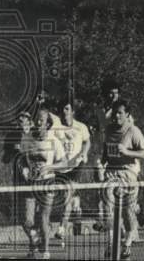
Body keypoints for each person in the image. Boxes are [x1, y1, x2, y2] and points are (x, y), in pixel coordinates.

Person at [100, 100, 144, 260]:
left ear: (127, 115)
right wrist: (101, 162)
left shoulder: (133, 131)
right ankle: (110, 244)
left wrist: (127, 152)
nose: (116, 116)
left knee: (128, 214)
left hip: (128, 175)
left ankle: (127, 244)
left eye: (120, 113)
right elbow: (105, 151)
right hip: (111, 174)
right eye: (114, 112)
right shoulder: (108, 130)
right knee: (108, 210)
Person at [19, 109, 68, 258]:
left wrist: (51, 167)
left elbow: (64, 163)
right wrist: (24, 169)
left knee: (43, 218)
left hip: (47, 182)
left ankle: (45, 251)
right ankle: (35, 238)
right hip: (31, 183)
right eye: (37, 119)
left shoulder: (54, 141)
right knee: (27, 220)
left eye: (42, 120)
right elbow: (21, 159)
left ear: (47, 125)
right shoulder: (27, 138)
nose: (39, 122)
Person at [51, 101, 92, 243]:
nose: (64, 111)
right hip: (61, 166)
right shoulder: (55, 127)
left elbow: (87, 141)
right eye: (62, 108)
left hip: (76, 165)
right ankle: (77, 212)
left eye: (67, 108)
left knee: (67, 195)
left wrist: (84, 153)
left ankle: (62, 228)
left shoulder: (81, 127)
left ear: (73, 111)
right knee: (69, 197)